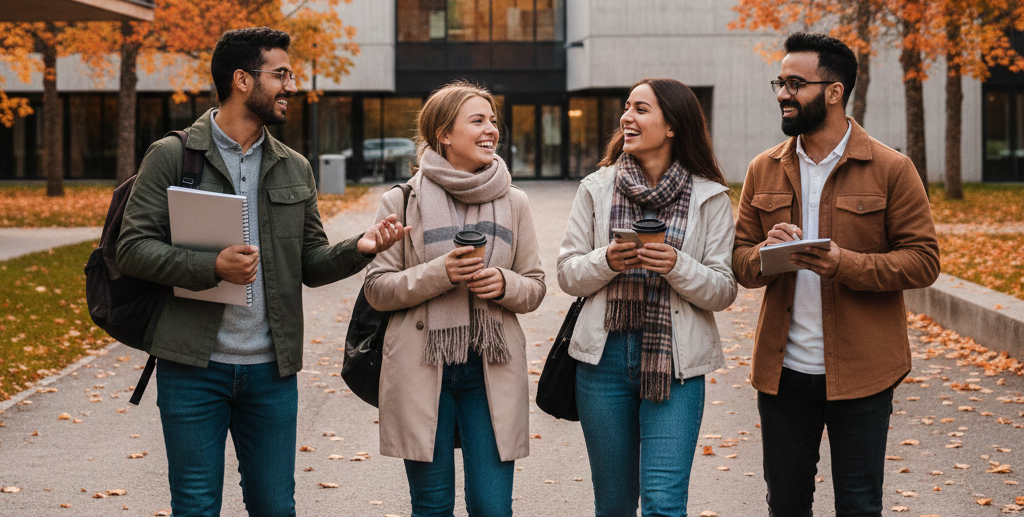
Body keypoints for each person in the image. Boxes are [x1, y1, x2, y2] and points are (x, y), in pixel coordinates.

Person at [116, 27, 408, 517]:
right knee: (195, 506)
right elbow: (132, 249)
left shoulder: (295, 167)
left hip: (272, 373)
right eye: (281, 74)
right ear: (242, 80)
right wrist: (211, 266)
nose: (292, 85)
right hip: (191, 369)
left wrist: (359, 248)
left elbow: (310, 263)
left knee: (275, 506)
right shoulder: (172, 155)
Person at [732, 32, 941, 517]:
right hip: (783, 373)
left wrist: (844, 264)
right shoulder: (763, 168)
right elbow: (740, 263)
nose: (783, 94)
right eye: (780, 83)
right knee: (786, 504)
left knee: (859, 504)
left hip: (865, 373)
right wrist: (765, 252)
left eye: (795, 84)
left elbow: (924, 261)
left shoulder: (891, 168)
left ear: (833, 91)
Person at [363, 81, 545, 517]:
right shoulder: (401, 200)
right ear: (444, 134)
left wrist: (503, 284)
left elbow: (535, 285)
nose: (491, 130)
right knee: (432, 507)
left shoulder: (514, 201)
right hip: (423, 365)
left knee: (492, 507)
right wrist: (439, 274)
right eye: (477, 121)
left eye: (493, 121)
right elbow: (377, 288)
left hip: (490, 366)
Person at [556, 78, 737, 517]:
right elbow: (567, 274)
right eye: (626, 107)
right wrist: (607, 260)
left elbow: (723, 290)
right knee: (614, 506)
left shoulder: (710, 197)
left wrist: (676, 265)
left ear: (672, 125)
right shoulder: (596, 188)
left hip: (676, 364)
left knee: (664, 505)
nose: (626, 117)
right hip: (603, 361)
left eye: (640, 109)